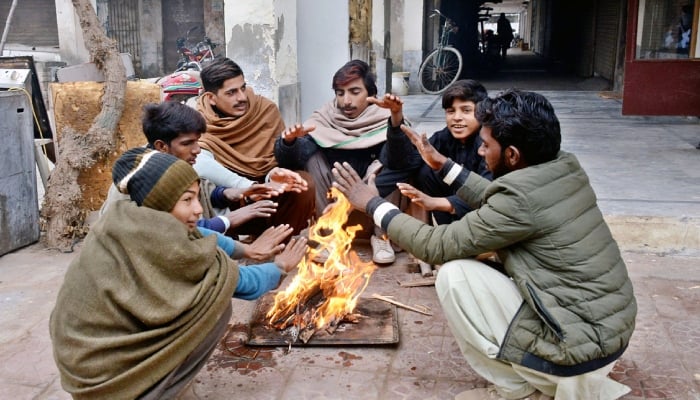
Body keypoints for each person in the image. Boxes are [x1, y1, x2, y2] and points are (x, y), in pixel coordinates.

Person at [331, 89, 637, 400]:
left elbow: (433, 245)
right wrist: (442, 165)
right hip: (607, 333)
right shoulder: (562, 166)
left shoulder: (519, 200)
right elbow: (499, 198)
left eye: (486, 146)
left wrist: (372, 204)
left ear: (513, 155)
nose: (480, 152)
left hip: (577, 352)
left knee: (455, 273)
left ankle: (516, 390)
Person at [50, 148, 307, 399]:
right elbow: (246, 284)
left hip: (80, 365)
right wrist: (281, 266)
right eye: (187, 199)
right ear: (160, 200)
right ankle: (160, 389)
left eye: (197, 197)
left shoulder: (124, 215)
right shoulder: (171, 248)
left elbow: (201, 234)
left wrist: (246, 250)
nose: (198, 209)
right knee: (215, 301)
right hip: (110, 379)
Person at [274, 59, 407, 264]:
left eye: (355, 92)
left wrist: (396, 119)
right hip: (332, 207)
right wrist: (289, 143)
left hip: (372, 205)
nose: (346, 101)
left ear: (370, 94)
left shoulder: (386, 118)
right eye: (340, 92)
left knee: (388, 163)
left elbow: (405, 161)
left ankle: (382, 238)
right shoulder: (325, 118)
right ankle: (327, 235)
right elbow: (289, 162)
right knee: (311, 157)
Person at [100, 101, 284, 241]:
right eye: (188, 143)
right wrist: (231, 219)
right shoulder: (143, 179)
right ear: (161, 146)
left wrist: (232, 193)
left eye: (197, 141)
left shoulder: (171, 163)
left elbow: (199, 191)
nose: (197, 150)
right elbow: (176, 232)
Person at [193, 57, 315, 236]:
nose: (242, 97)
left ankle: (283, 241)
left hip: (271, 187)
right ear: (211, 98)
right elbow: (199, 164)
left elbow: (281, 160)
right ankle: (228, 251)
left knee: (302, 182)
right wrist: (246, 188)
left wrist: (288, 145)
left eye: (242, 88)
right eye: (231, 92)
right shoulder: (198, 122)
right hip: (232, 200)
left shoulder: (264, 109)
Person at [377, 79, 492, 226]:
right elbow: (405, 164)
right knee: (423, 168)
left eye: (466, 110)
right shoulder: (443, 137)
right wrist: (396, 116)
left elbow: (489, 194)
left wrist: (435, 203)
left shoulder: (489, 144)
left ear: (482, 113)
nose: (457, 117)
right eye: (451, 111)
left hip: (484, 222)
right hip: (449, 223)